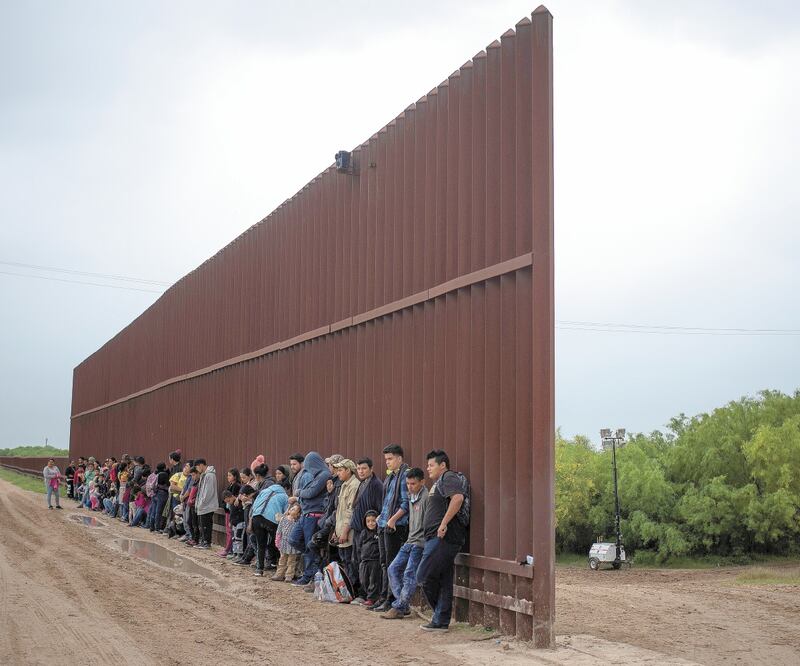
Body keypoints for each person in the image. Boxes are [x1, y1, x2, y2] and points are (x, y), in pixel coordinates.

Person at [416, 450, 467, 632]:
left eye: (431, 465)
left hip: (443, 539)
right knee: (444, 581)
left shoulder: (448, 477)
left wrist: (443, 524)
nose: (427, 468)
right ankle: (441, 621)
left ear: (442, 465)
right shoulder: (438, 483)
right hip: (435, 538)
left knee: (423, 576)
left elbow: (458, 498)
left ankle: (439, 615)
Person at [382, 467, 429, 619]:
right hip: (410, 540)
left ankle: (399, 607)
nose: (409, 486)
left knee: (409, 574)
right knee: (393, 569)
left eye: (413, 483)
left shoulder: (427, 498)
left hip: (420, 542)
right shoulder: (411, 496)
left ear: (422, 482)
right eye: (408, 483)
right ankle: (403, 604)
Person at [372, 444, 409, 612]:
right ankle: (384, 597)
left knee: (392, 564)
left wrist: (392, 520)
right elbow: (387, 501)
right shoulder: (391, 477)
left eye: (390, 458)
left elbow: (405, 503)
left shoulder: (404, 475)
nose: (387, 462)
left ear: (400, 458)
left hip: (395, 527)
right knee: (384, 563)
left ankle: (392, 599)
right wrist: (382, 516)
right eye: (386, 459)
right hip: (384, 524)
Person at [287, 451, 330, 588]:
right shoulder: (316, 476)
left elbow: (310, 492)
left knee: (310, 547)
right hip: (305, 514)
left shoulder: (324, 475)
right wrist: (302, 493)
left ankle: (308, 576)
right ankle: (311, 567)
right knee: (293, 539)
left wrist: (299, 493)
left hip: (314, 515)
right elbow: (307, 492)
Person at [349, 457, 384, 603]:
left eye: (364, 468)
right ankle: (360, 593)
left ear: (371, 469)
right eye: (358, 469)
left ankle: (368, 596)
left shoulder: (376, 485)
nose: (361, 471)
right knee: (357, 562)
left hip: (370, 533)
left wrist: (373, 528)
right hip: (359, 531)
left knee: (371, 567)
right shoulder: (362, 483)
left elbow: (378, 509)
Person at [250, 477, 288, 576]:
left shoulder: (264, 491)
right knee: (279, 543)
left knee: (260, 544)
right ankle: (280, 569)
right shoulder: (284, 496)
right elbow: (285, 512)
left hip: (257, 517)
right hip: (271, 520)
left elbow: (254, 505)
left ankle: (259, 569)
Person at [333, 459, 360, 588]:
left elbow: (350, 512)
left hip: (348, 532)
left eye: (340, 470)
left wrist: (344, 531)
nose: (338, 473)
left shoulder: (354, 485)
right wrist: (335, 531)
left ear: (348, 470)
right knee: (344, 561)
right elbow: (339, 511)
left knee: (350, 561)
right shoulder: (344, 484)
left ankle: (352, 589)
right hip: (341, 530)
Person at [357, 511, 382, 608]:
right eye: (368, 521)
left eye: (373, 521)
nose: (371, 523)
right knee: (364, 580)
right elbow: (359, 546)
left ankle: (372, 598)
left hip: (375, 561)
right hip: (364, 561)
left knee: (373, 580)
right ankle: (368, 596)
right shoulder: (363, 533)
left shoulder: (379, 532)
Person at [272, 503, 302, 581]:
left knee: (291, 561)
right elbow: (279, 531)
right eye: (292, 508)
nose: (292, 510)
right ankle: (279, 574)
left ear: (298, 513)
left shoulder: (298, 521)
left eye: (295, 509)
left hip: (293, 545)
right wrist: (277, 541)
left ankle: (289, 575)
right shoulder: (283, 519)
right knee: (282, 560)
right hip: (283, 543)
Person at [194, 459, 219, 549]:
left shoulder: (210, 475)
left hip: (207, 505)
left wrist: (201, 503)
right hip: (203, 505)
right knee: (202, 524)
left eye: (197, 467)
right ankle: (203, 541)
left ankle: (206, 543)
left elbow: (208, 492)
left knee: (206, 525)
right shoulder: (204, 475)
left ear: (201, 465)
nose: (197, 469)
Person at [219, 468, 241, 557]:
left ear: (235, 476)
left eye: (230, 475)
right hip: (228, 511)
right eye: (227, 475)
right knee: (229, 531)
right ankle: (229, 549)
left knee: (231, 531)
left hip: (233, 512)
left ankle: (230, 549)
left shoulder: (237, 486)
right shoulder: (230, 486)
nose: (228, 477)